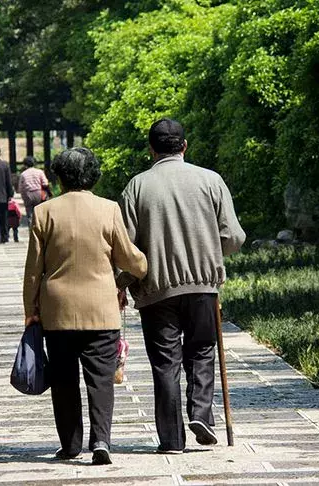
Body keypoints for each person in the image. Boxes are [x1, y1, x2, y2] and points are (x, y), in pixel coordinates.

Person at [117, 118, 246, 453]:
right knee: (203, 349)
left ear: (151, 149)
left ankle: (172, 439)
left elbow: (128, 249)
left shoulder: (137, 186)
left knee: (165, 363)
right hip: (204, 286)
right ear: (185, 146)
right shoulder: (211, 180)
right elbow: (234, 237)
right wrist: (211, 251)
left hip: (156, 291)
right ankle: (201, 411)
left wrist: (122, 283)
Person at [23, 147, 147, 465]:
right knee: (101, 379)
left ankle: (70, 444)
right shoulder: (108, 209)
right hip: (101, 310)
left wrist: (30, 309)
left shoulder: (44, 213)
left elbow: (33, 270)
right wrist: (143, 265)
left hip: (57, 312)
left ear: (60, 177)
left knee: (63, 379)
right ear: (92, 175)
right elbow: (128, 258)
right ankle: (101, 440)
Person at [18, 156, 50, 225]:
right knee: (40, 213)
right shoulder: (39, 172)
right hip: (39, 193)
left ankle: (31, 230)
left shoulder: (23, 174)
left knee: (30, 215)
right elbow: (45, 183)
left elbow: (20, 188)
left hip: (28, 194)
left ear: (25, 164)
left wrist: (24, 196)